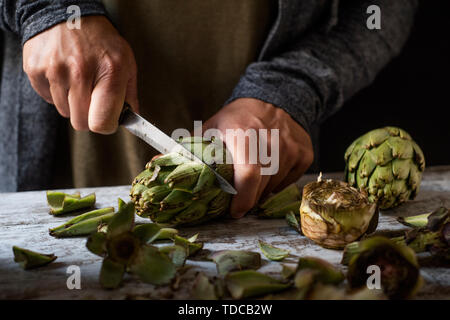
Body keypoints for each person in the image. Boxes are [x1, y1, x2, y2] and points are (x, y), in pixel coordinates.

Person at [0, 0, 417, 218]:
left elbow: (382, 9)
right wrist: (48, 8)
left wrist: (292, 88)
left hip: (264, 170)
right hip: (64, 164)